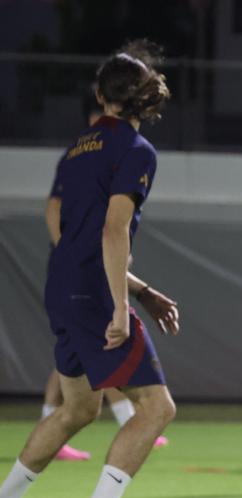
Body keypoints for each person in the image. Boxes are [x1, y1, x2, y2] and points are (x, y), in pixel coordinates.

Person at [0, 40, 178, 498]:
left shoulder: (78, 147)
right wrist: (120, 305)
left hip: (63, 285)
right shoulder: (136, 150)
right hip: (95, 295)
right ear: (147, 100)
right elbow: (112, 232)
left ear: (100, 95)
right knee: (156, 408)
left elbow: (64, 226)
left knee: (77, 409)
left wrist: (139, 292)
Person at [43, 92, 173, 462]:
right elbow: (63, 212)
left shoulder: (88, 155)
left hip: (76, 275)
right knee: (141, 391)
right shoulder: (117, 151)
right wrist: (121, 303)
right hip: (85, 280)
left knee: (78, 390)